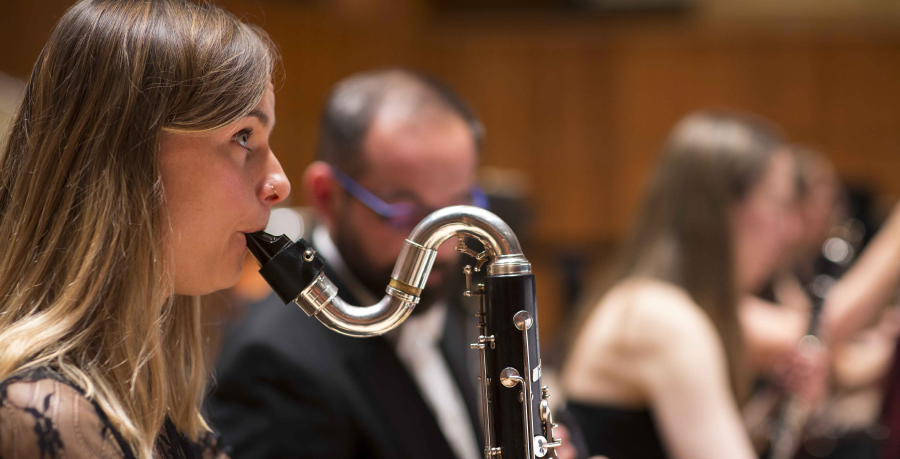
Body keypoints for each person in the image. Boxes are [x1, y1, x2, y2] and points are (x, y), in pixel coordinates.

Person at [206, 69, 580, 459]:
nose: (444, 246)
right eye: (405, 213)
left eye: (458, 207)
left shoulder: (448, 293)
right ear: (327, 195)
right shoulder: (273, 365)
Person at [0, 1, 290, 458]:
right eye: (243, 137)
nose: (279, 183)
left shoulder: (158, 404)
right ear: (127, 152)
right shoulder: (43, 418)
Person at [561, 111, 799, 459]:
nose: (789, 229)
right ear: (724, 209)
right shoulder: (660, 318)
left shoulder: (652, 302)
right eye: (779, 203)